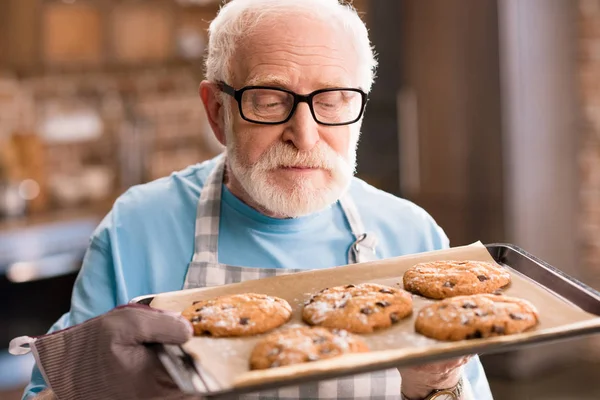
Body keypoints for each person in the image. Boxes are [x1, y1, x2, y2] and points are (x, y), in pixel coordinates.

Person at [18, 0, 494, 399]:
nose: (304, 136)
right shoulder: (136, 229)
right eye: (269, 100)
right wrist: (88, 388)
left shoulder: (415, 238)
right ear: (216, 111)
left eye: (332, 100)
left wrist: (433, 388)